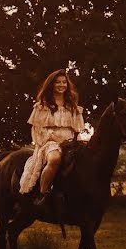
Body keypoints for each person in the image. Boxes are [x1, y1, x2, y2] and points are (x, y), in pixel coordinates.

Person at [19, 70, 84, 208]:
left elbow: (77, 128)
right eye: (58, 82)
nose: (61, 85)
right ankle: (43, 194)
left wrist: (74, 141)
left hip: (69, 142)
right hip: (49, 142)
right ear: (52, 84)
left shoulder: (71, 104)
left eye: (64, 82)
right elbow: (39, 129)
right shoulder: (43, 105)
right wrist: (55, 138)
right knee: (55, 159)